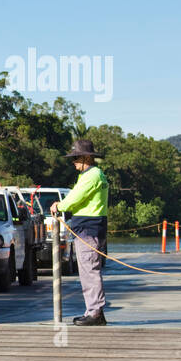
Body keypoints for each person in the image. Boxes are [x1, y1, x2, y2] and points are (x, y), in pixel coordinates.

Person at [51, 139, 109, 326]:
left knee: (89, 270)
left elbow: (74, 198)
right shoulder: (89, 175)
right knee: (87, 270)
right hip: (87, 228)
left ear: (86, 158)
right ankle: (93, 310)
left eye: (76, 157)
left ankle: (95, 312)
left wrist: (59, 205)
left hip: (89, 229)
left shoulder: (92, 175)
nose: (73, 161)